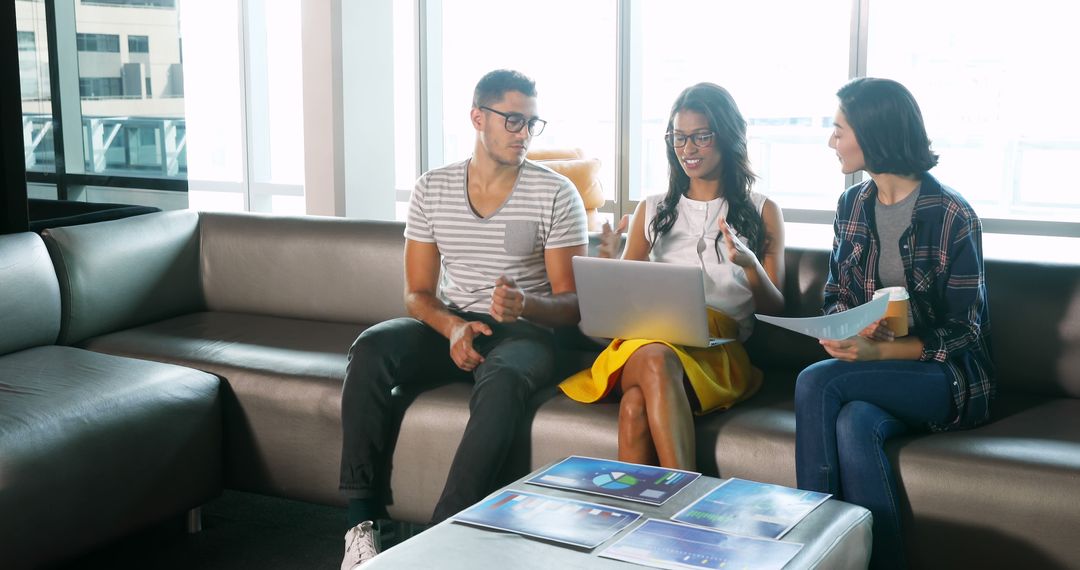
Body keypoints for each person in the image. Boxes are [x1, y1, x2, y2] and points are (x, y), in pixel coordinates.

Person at [338, 69, 587, 568]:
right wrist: (452, 327)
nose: (524, 133)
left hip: (526, 333)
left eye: (532, 123)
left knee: (503, 378)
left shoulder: (557, 194)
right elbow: (417, 294)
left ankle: (440, 541)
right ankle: (360, 526)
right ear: (478, 117)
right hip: (453, 324)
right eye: (513, 120)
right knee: (371, 348)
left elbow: (574, 304)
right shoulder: (432, 188)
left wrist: (526, 305)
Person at [794, 77, 994, 569]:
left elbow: (968, 329)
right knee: (855, 424)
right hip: (876, 375)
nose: (831, 141)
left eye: (839, 130)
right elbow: (838, 294)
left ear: (873, 132)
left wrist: (880, 352)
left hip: (944, 379)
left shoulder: (950, 214)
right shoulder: (852, 206)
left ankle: (808, 552)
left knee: (815, 384)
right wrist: (844, 329)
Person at [559, 83, 785, 471]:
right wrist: (611, 263)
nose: (688, 149)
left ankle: (644, 521)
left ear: (727, 137)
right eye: (679, 138)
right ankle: (686, 494)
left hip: (718, 350)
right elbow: (621, 306)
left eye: (701, 136)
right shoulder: (653, 209)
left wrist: (750, 266)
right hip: (647, 342)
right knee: (657, 357)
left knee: (634, 405)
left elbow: (775, 309)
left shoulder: (763, 211)